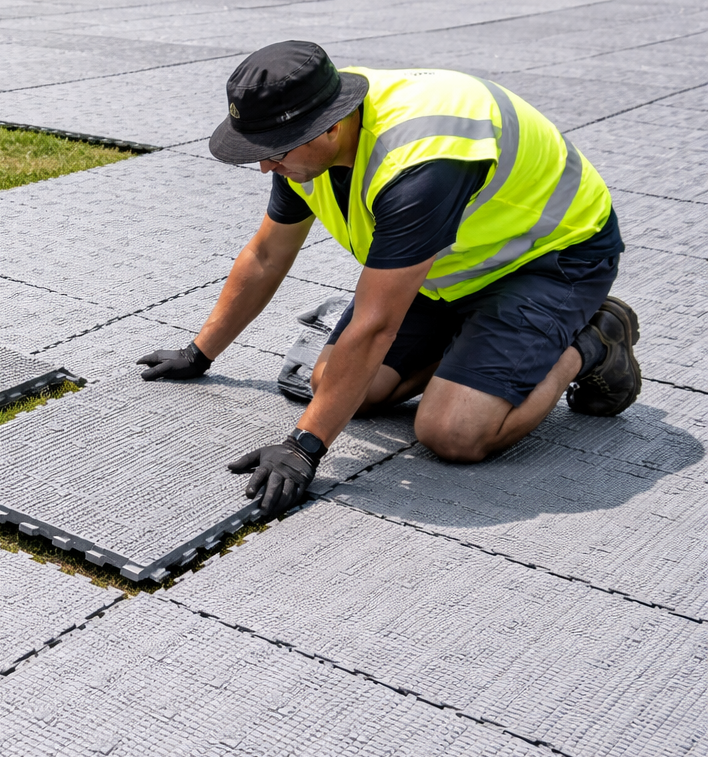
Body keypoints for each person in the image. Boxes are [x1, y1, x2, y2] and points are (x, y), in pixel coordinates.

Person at [137, 41, 638, 520]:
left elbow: (377, 325)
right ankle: (476, 350)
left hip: (548, 259)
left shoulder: (421, 163)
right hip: (448, 265)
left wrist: (303, 447)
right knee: (337, 386)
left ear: (328, 129)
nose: (266, 164)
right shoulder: (302, 141)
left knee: (453, 431)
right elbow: (268, 254)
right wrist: (200, 352)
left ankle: (593, 338)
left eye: (274, 151)